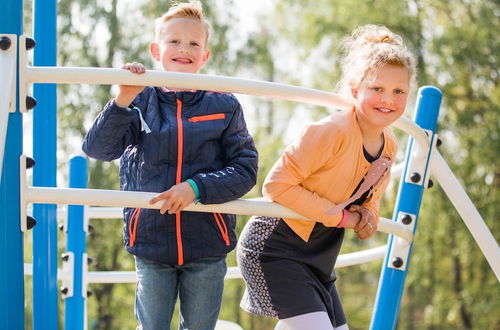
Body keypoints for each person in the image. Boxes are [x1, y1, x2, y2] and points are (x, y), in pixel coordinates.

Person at [82, 1, 258, 329]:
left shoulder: (224, 104)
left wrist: (197, 187)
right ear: (155, 50)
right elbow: (99, 149)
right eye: (174, 41)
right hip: (151, 241)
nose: (184, 49)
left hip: (207, 241)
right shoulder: (140, 100)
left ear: (204, 56)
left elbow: (245, 168)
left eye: (194, 43)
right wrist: (122, 99)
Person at [237, 24, 416, 330]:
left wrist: (367, 216)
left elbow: (369, 201)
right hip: (276, 246)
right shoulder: (331, 131)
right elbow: (276, 184)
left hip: (318, 257)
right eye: (377, 89)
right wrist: (340, 218)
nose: (388, 99)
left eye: (398, 91)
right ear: (355, 89)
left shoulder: (389, 147)